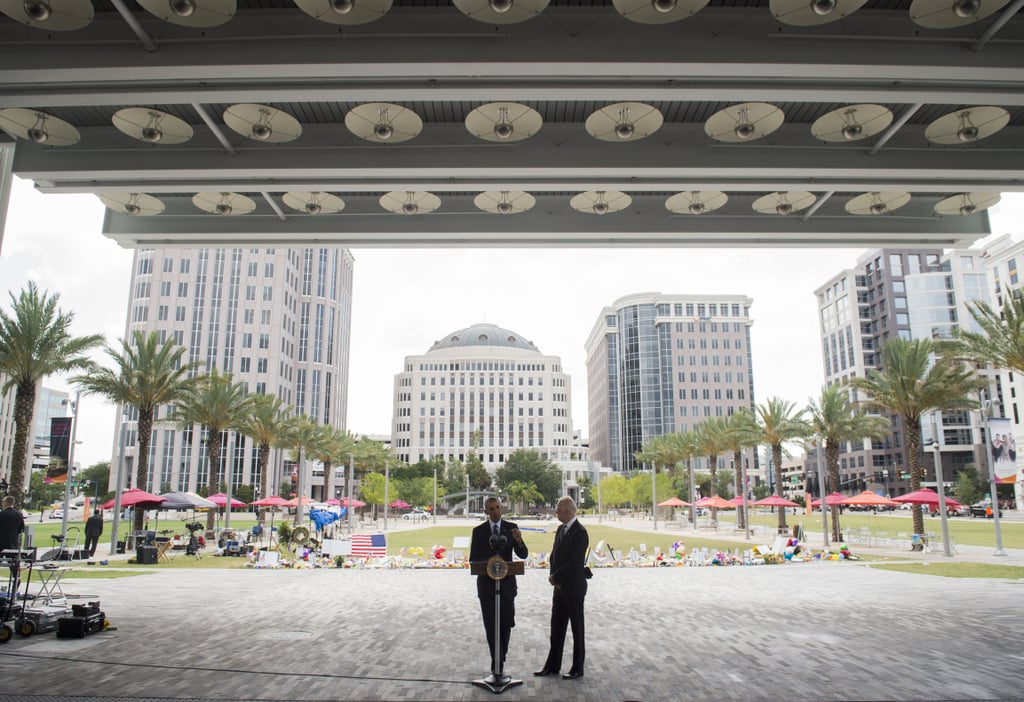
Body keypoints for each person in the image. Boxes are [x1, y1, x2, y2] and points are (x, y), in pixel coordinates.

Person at [469, 496, 528, 675]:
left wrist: (519, 541)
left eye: (497, 507)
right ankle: (496, 662)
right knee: (491, 625)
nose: (495, 511)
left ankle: (501, 655)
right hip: (487, 587)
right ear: (486, 511)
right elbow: (473, 559)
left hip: (507, 586)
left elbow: (523, 554)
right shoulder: (479, 532)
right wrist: (491, 564)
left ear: (502, 508)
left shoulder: (512, 529)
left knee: (505, 623)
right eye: (491, 509)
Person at [535, 495, 589, 681]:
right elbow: (555, 557)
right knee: (556, 628)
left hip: (573, 587)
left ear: (567, 510)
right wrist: (554, 578)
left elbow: (575, 562)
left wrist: (556, 577)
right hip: (559, 587)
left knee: (577, 628)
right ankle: (552, 665)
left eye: (558, 509)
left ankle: (577, 667)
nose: (555, 512)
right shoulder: (560, 529)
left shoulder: (580, 532)